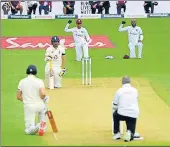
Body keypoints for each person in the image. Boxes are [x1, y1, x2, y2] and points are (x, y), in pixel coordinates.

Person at [17, 65, 49, 136]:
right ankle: (42, 125)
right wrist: (43, 99)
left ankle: (39, 125)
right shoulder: (39, 81)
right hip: (40, 105)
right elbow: (43, 94)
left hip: (29, 106)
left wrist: (26, 100)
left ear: (27, 72)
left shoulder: (22, 81)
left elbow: (18, 96)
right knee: (43, 112)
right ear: (35, 72)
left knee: (28, 130)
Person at [112, 76, 139, 142]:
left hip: (122, 114)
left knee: (115, 114)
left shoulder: (119, 91)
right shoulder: (135, 90)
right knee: (130, 116)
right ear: (130, 81)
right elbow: (136, 100)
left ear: (122, 82)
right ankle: (129, 132)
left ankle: (117, 133)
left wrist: (118, 107)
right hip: (133, 114)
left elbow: (114, 105)